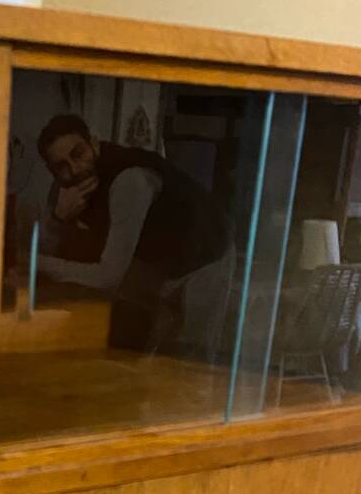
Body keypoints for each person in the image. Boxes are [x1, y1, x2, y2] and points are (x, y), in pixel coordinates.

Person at [35, 113, 233, 357]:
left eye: (78, 154)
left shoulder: (130, 181)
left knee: (192, 354)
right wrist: (57, 218)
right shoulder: (63, 188)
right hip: (155, 260)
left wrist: (36, 262)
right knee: (147, 348)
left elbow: (108, 277)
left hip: (206, 254)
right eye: (61, 166)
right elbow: (45, 250)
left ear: (94, 143)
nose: (74, 169)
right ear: (51, 170)